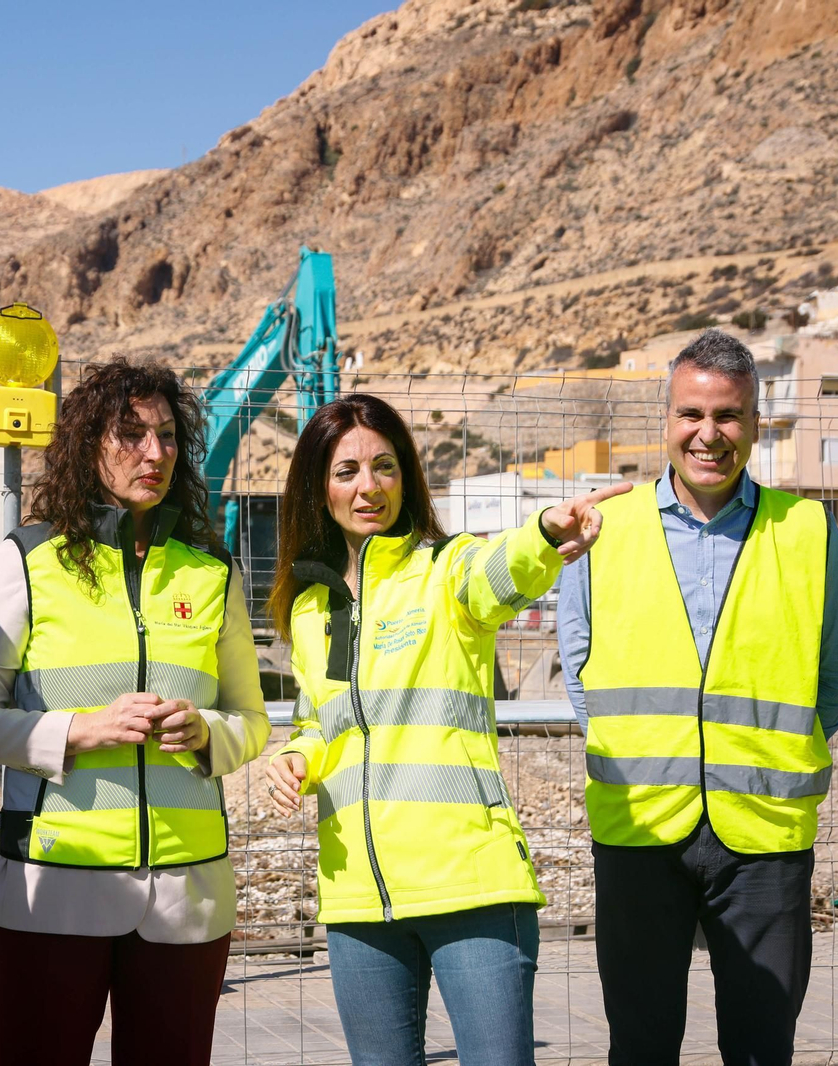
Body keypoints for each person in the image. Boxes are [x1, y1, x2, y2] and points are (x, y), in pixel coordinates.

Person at [262, 393, 629, 1066]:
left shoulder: (445, 571)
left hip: (472, 886)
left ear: (406, 477)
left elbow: (501, 571)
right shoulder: (312, 608)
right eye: (347, 471)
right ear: (319, 487)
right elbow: (323, 719)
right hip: (359, 902)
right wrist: (297, 757)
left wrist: (544, 531)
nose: (368, 487)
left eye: (385, 467)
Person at [0, 357, 269, 1066]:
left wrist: (208, 732)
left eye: (167, 437)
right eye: (129, 434)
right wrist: (79, 731)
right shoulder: (28, 560)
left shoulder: (212, 570)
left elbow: (252, 718)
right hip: (50, 899)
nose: (153, 453)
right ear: (88, 444)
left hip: (188, 903)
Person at [557, 328, 838, 1066]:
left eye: (728, 415)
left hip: (764, 837)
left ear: (755, 424)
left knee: (761, 1048)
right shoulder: (605, 528)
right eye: (692, 413)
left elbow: (835, 679)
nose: (708, 434)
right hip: (638, 829)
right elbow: (579, 666)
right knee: (640, 1044)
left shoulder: (809, 531)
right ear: (667, 419)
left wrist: (757, 755)